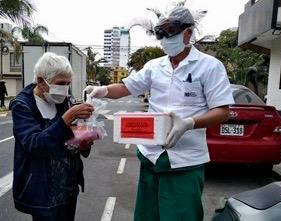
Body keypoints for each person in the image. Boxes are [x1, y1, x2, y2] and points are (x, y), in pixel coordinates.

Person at [85, 5, 234, 221]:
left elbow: (222, 111)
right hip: (151, 157)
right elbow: (127, 87)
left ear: (188, 33)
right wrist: (104, 90)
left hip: (185, 162)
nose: (164, 40)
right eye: (160, 34)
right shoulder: (155, 66)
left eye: (170, 33)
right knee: (147, 216)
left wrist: (189, 123)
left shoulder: (209, 66)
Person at [10, 52, 94, 221]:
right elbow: (35, 144)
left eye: (68, 84)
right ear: (41, 81)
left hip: (68, 188)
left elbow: (73, 138)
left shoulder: (64, 101)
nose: (65, 89)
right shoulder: (22, 106)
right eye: (60, 83)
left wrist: (84, 143)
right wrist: (67, 118)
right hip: (42, 191)